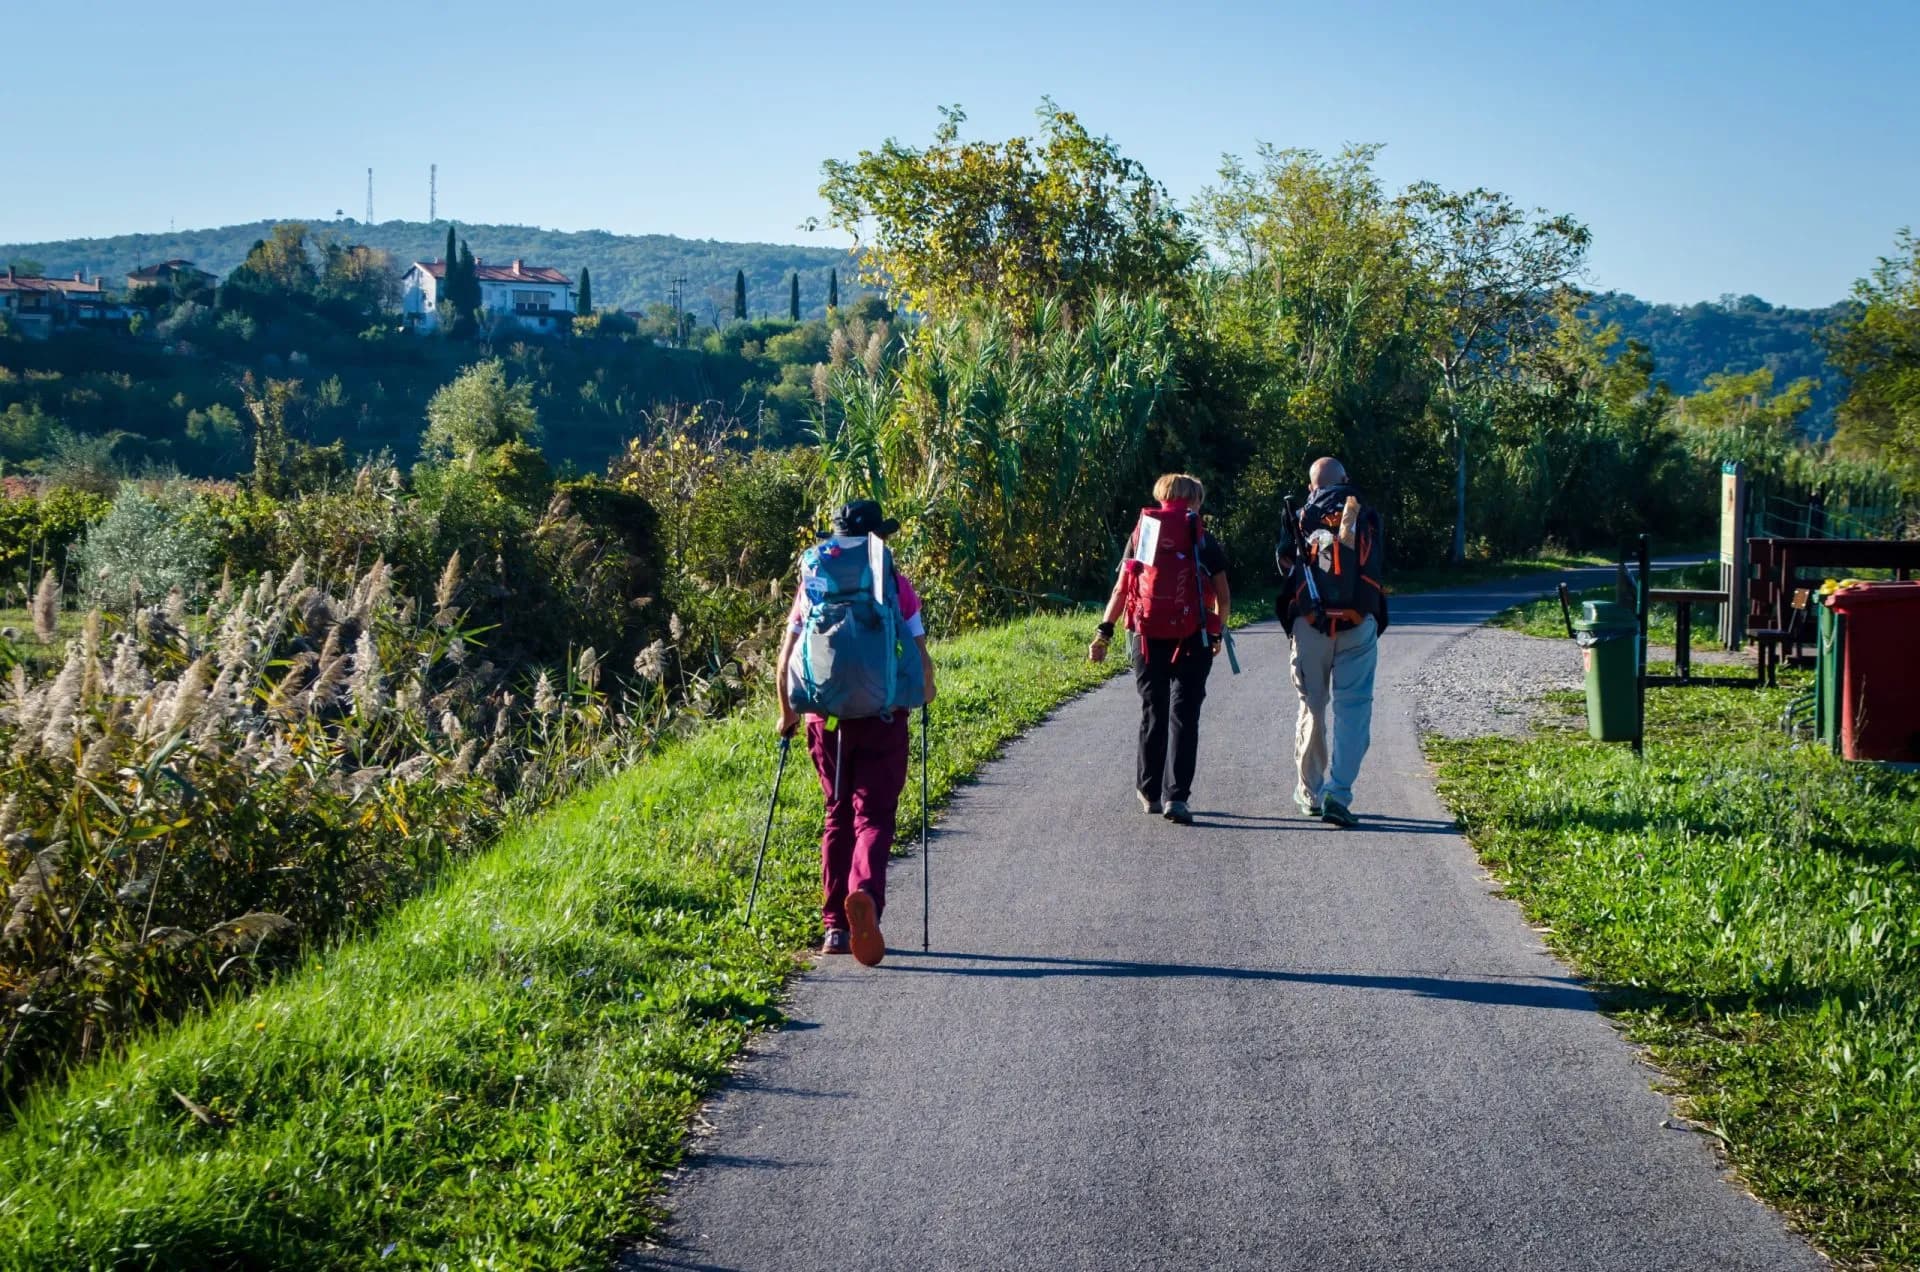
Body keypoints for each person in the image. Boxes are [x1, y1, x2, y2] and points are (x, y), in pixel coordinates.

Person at [776, 500, 936, 967]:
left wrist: (788, 713)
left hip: (824, 720)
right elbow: (921, 659)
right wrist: (924, 696)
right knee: (875, 817)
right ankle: (863, 891)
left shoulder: (813, 585)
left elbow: (785, 659)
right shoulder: (896, 587)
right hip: (883, 719)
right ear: (875, 540)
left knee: (837, 814)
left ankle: (833, 928)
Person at [1089, 473, 1232, 825]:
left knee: (1154, 709)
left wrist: (1104, 634)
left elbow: (1121, 590)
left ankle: (1149, 792)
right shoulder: (1203, 539)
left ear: (1161, 496)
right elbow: (1224, 598)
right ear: (1195, 501)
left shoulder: (1142, 534)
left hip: (1146, 636)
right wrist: (1215, 634)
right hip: (1193, 637)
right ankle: (1177, 798)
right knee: (1185, 714)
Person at [1276, 457, 1387, 828]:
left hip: (1311, 624)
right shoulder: (1365, 512)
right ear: (1346, 479)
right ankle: (1338, 795)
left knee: (1313, 706)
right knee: (1353, 708)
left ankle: (1309, 792)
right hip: (1358, 622)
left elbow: (1285, 565)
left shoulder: (1302, 513)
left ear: (1312, 486)